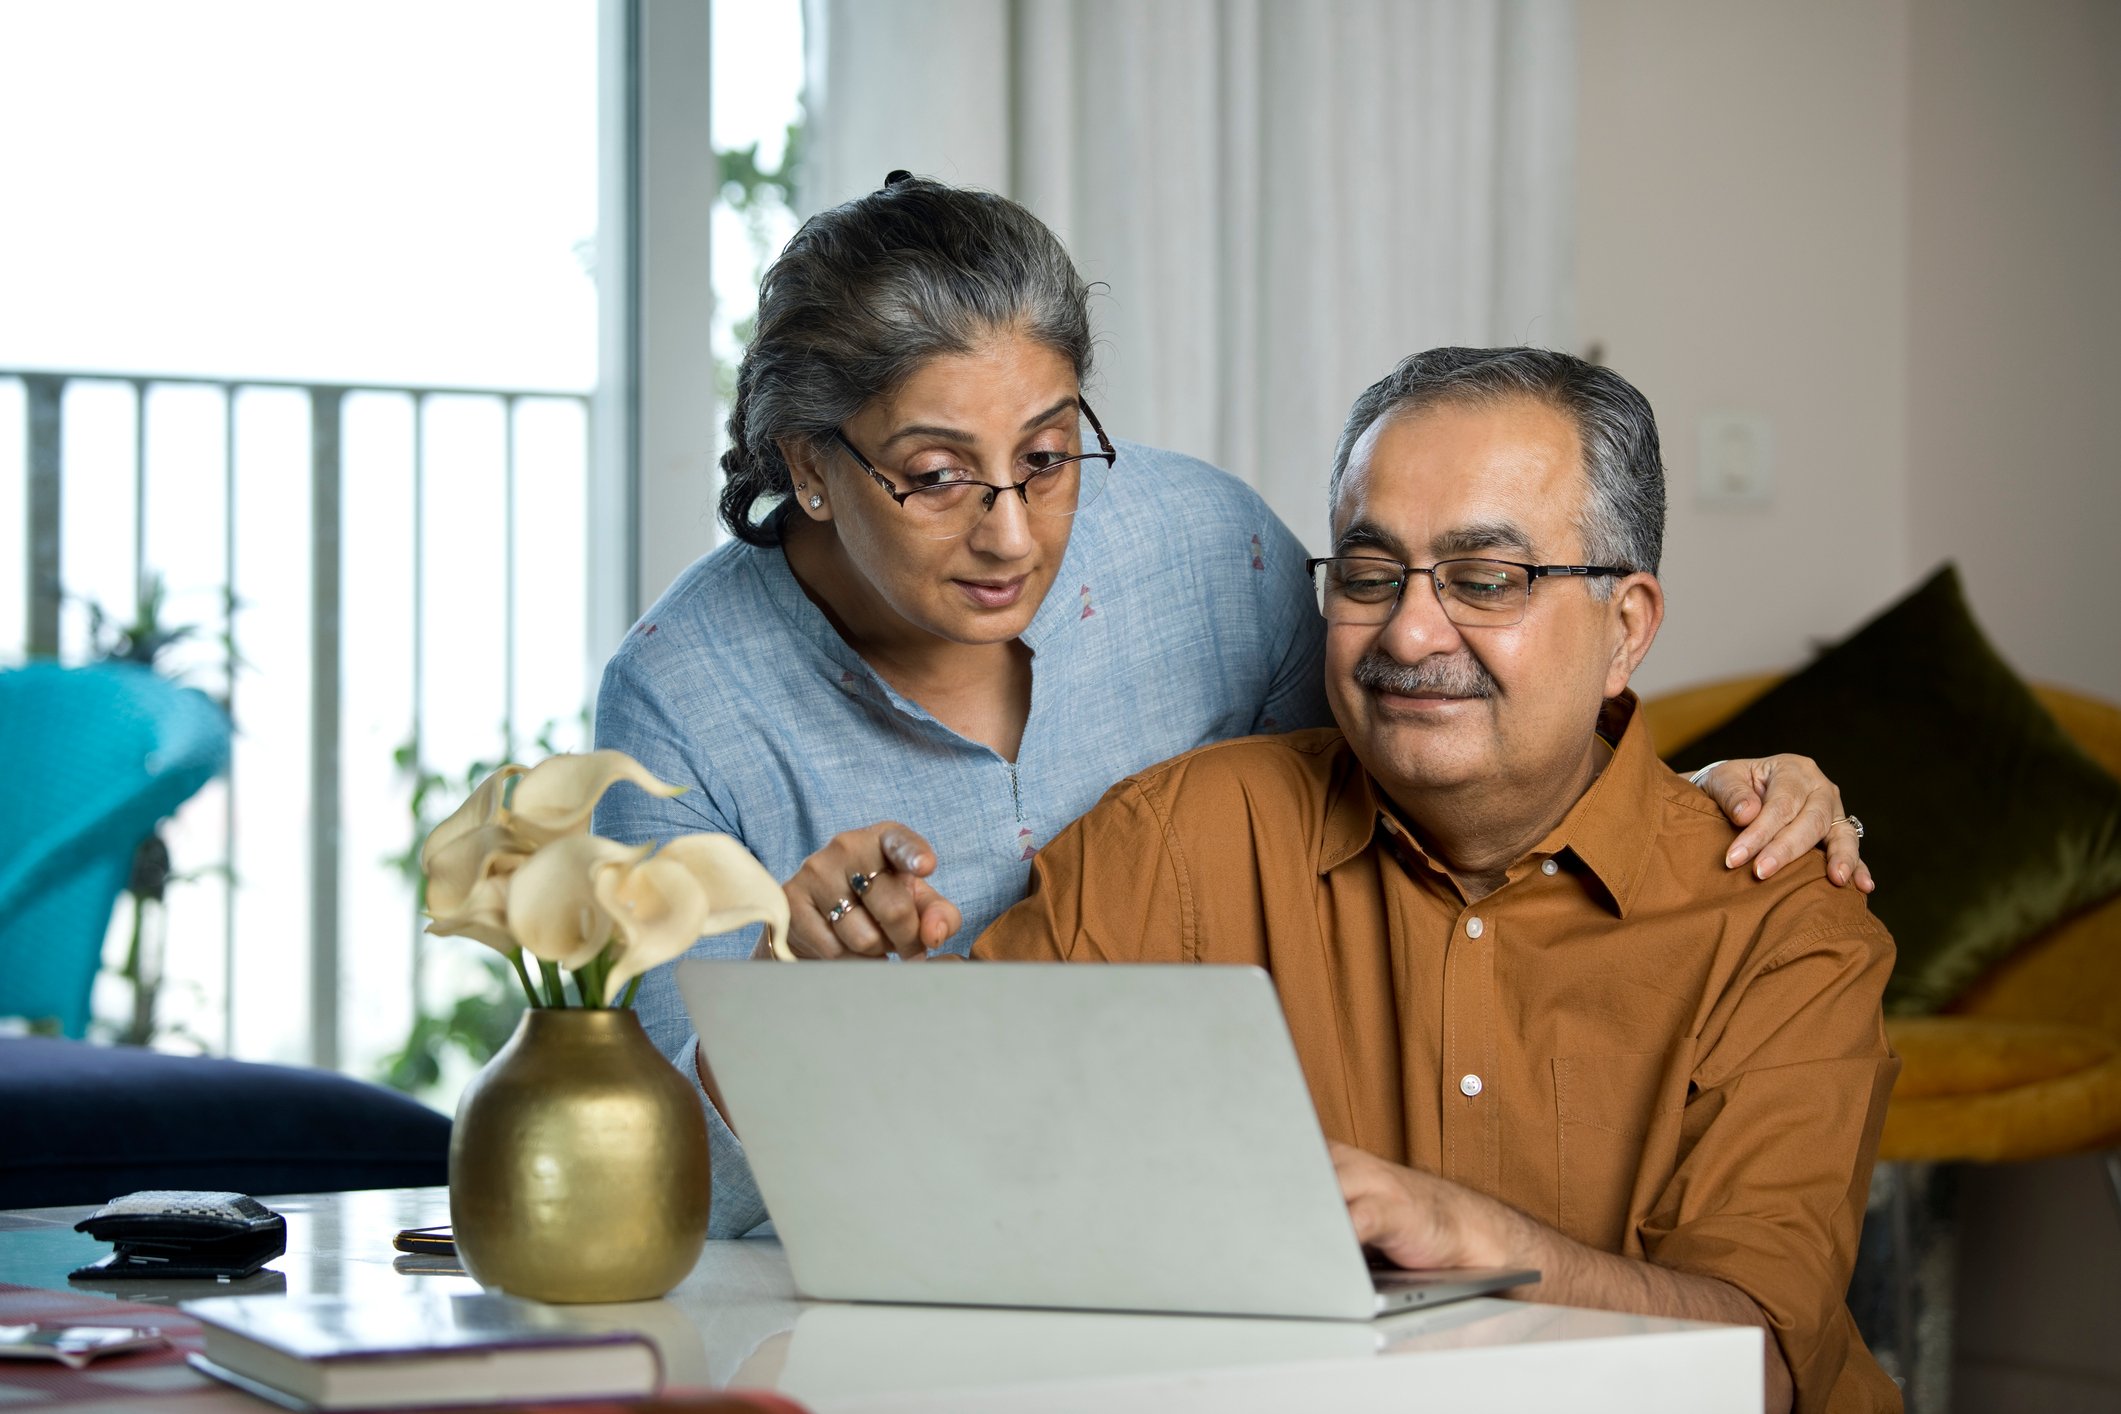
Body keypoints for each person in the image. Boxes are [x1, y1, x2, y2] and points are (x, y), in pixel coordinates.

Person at [593, 175, 1871, 1241]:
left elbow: (1436, 734)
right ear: (811, 467)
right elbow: (684, 1184)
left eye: (1046, 457)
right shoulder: (684, 703)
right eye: (935, 476)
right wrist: (782, 1013)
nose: (1010, 530)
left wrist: (1672, 800)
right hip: (962, 1246)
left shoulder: (1212, 552)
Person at [976, 347, 1898, 1414]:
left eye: (1487, 579)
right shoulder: (1184, 838)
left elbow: (1760, 1371)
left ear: (1627, 627)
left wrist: (1478, 1245)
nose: (1410, 632)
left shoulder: (1780, 911)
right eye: (1369, 576)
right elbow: (962, 1160)